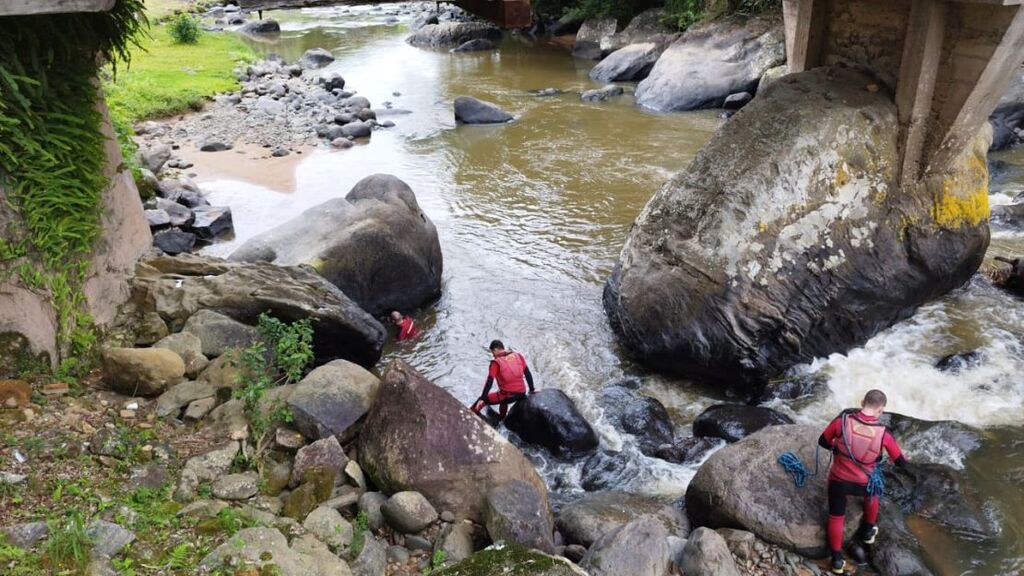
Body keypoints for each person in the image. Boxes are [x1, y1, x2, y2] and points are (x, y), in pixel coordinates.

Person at [818, 389, 912, 574]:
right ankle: (868, 530)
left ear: (862, 402)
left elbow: (823, 442)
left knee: (836, 517)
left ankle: (837, 560)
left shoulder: (841, 422)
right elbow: (900, 462)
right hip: (864, 484)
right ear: (880, 410)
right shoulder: (884, 433)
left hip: (839, 480)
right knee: (874, 491)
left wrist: (837, 446)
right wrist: (903, 458)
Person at [471, 340, 536, 418]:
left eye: (492, 353)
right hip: (522, 393)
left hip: (508, 396)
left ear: (495, 350)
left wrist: (482, 398)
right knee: (502, 394)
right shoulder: (518, 356)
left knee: (482, 400)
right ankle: (502, 418)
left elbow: (489, 381)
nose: (493, 355)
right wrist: (532, 390)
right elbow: (527, 373)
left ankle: (469, 415)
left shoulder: (496, 363)